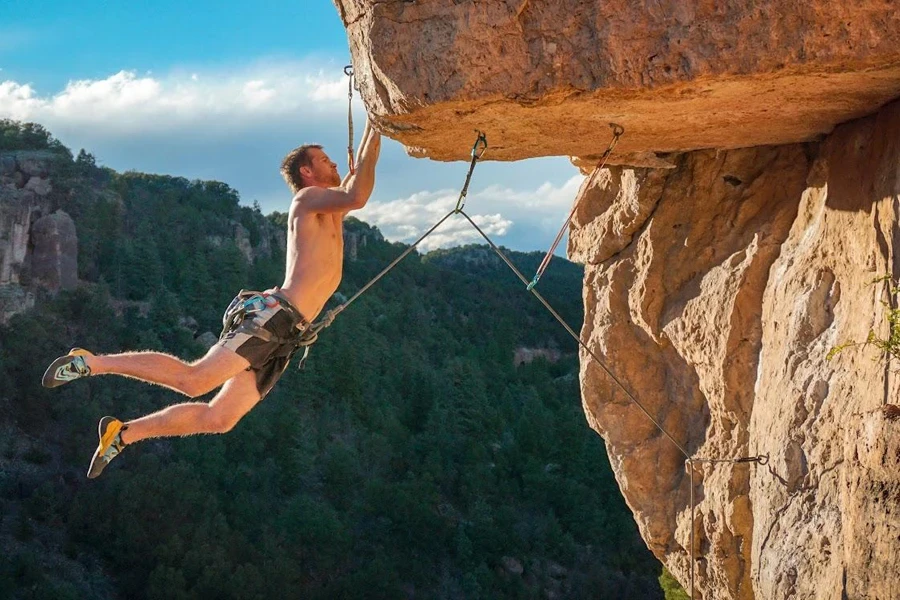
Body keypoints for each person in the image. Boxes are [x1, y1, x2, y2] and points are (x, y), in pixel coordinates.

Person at [42, 119, 382, 478]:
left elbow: (356, 179)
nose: (333, 164)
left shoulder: (331, 210)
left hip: (289, 333)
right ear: (306, 171)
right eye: (325, 160)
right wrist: (377, 120)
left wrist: (372, 131)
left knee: (220, 418)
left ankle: (124, 433)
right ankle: (91, 363)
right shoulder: (306, 199)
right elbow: (357, 192)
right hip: (275, 318)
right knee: (195, 380)